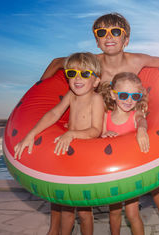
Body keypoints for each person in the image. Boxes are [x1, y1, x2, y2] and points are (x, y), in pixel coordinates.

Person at [41, 12, 159, 235]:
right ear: (96, 39)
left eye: (115, 31)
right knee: (62, 170)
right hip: (103, 123)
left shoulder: (137, 60)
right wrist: (40, 87)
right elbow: (58, 63)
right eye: (101, 32)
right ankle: (54, 229)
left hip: (129, 120)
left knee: (157, 180)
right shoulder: (93, 62)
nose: (109, 36)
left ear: (126, 38)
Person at [14, 52, 104, 235]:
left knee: (85, 212)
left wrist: (72, 134)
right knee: (65, 209)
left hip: (84, 156)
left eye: (85, 74)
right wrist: (31, 134)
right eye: (72, 73)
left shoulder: (96, 99)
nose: (77, 78)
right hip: (67, 154)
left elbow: (96, 131)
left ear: (96, 81)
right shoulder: (71, 95)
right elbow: (54, 114)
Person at [101, 72, 149, 235]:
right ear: (113, 95)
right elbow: (97, 139)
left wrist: (141, 130)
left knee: (132, 213)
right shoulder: (105, 117)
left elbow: (142, 119)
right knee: (114, 213)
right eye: (123, 95)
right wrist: (104, 134)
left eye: (134, 96)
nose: (129, 100)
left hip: (130, 173)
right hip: (112, 174)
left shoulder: (135, 115)